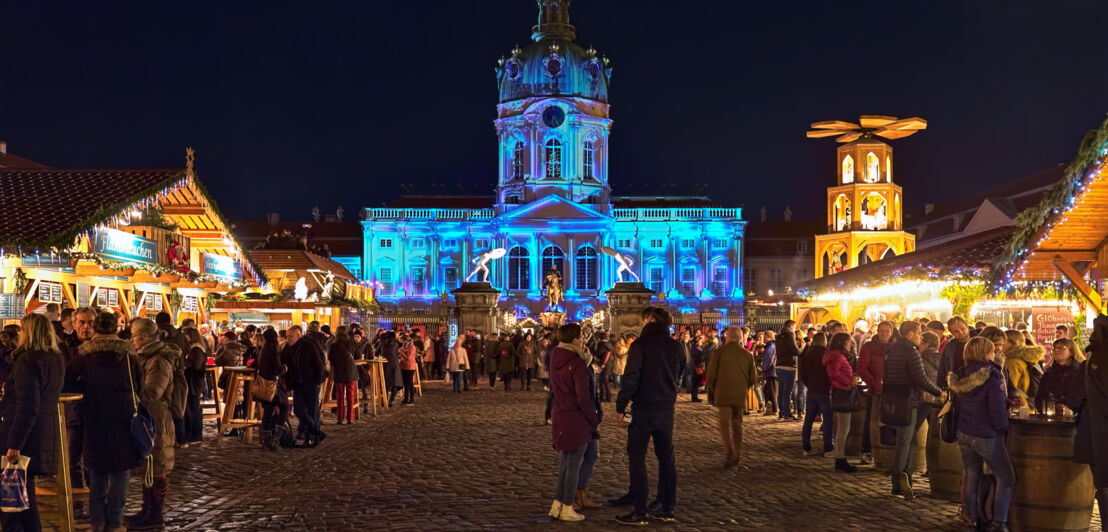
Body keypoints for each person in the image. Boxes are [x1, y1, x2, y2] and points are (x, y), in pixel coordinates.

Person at [66, 311, 143, 532]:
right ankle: (115, 522)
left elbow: (68, 382)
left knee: (96, 471)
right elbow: (139, 386)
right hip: (123, 419)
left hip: (94, 418)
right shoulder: (128, 357)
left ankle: (97, 522)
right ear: (117, 329)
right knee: (120, 472)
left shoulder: (85, 357)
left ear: (96, 329)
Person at [614, 307, 686, 525]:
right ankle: (667, 506)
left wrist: (621, 405)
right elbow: (682, 372)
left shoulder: (641, 345)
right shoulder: (676, 346)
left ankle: (640, 510)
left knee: (637, 457)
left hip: (643, 407)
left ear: (651, 319)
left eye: (644, 319)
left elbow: (631, 377)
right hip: (666, 408)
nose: (642, 323)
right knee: (666, 457)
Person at [0, 314, 64, 532]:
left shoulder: (28, 361)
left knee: (11, 503)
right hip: (42, 434)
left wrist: (14, 443)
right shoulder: (55, 357)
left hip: (24, 436)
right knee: (25, 498)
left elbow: (27, 405)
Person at [948, 337, 1015, 532]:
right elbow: (996, 408)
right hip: (986, 433)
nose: (995, 353)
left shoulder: (960, 374)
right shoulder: (992, 375)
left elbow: (959, 404)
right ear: (985, 353)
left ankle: (974, 518)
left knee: (972, 473)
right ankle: (999, 521)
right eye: (993, 350)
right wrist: (1003, 428)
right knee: (1005, 476)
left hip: (964, 431)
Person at [127, 317, 181, 530]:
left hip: (157, 417)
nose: (132, 341)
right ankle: (146, 510)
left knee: (157, 465)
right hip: (147, 417)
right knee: (148, 465)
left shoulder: (158, 360)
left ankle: (155, 515)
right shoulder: (145, 357)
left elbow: (153, 391)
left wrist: (131, 392)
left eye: (135, 337)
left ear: (146, 337)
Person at [546, 323, 601, 522]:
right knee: (573, 466)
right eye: (581, 335)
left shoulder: (556, 357)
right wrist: (594, 419)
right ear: (575, 339)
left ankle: (557, 505)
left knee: (565, 464)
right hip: (576, 418)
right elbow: (583, 398)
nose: (584, 338)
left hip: (561, 414)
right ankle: (568, 506)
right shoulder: (577, 363)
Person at [881, 320, 942, 500]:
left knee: (909, 441)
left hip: (894, 399)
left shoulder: (891, 350)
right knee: (904, 442)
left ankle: (907, 481)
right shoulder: (911, 352)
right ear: (910, 334)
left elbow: (886, 376)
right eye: (918, 333)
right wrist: (939, 392)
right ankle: (898, 485)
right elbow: (920, 378)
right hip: (908, 401)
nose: (920, 337)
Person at [1072, 315, 1108, 531]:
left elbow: (1074, 398)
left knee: (1103, 487)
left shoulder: (1089, 363)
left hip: (1093, 434)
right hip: (1099, 433)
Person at [706, 326, 756, 467]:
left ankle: (729, 450)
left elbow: (711, 374)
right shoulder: (747, 355)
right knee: (737, 424)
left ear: (727, 337)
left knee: (724, 423)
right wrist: (743, 386)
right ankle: (738, 452)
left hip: (723, 392)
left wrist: (713, 388)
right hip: (740, 393)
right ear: (741, 338)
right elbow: (753, 377)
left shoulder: (719, 353)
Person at [281, 325, 327, 446]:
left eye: (290, 336)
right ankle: (317, 432)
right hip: (298, 384)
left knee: (312, 410)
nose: (288, 339)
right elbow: (283, 361)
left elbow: (319, 362)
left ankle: (310, 437)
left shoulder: (309, 345)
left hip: (311, 382)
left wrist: (318, 379)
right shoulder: (288, 347)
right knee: (299, 409)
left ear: (299, 335)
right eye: (287, 336)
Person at [857, 320, 895, 464]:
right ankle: (867, 450)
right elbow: (862, 368)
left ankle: (889, 451)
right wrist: (873, 383)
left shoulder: (895, 347)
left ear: (891, 332)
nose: (885, 333)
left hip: (892, 391)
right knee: (870, 420)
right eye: (882, 331)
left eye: (887, 331)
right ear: (877, 332)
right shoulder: (869, 347)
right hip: (875, 391)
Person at [824, 332, 860, 473]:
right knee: (843, 428)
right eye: (849, 342)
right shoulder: (838, 356)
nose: (850, 344)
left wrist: (854, 377)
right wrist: (849, 382)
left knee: (844, 427)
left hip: (843, 391)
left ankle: (840, 457)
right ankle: (840, 458)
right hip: (842, 392)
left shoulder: (839, 355)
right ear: (842, 342)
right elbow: (834, 373)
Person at [799, 332, 833, 457]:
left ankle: (806, 447)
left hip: (812, 390)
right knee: (828, 420)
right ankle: (828, 448)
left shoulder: (807, 354)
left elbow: (803, 374)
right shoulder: (826, 354)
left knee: (808, 420)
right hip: (824, 390)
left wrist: (809, 385)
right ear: (824, 341)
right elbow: (830, 372)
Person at [256, 328, 288, 451]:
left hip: (264, 385)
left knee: (268, 411)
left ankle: (267, 439)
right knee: (284, 408)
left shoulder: (263, 349)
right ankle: (275, 438)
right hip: (273, 385)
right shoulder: (273, 349)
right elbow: (277, 369)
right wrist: (284, 368)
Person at [1035, 337, 1083, 411]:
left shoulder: (1081, 372)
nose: (1056, 350)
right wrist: (1052, 407)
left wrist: (1071, 410)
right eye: (1054, 348)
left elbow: (1084, 397)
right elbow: (1040, 397)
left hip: (1076, 419)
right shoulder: (1049, 373)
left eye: (1061, 348)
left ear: (1072, 351)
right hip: (1052, 417)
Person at [1002, 329, 1043, 413]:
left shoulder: (1012, 362)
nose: (1001, 344)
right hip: (1028, 407)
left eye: (1004, 341)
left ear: (1012, 342)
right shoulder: (1027, 358)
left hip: (1018, 407)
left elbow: (1010, 386)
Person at [181, 327, 207, 445]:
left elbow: (195, 365)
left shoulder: (196, 349)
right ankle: (192, 435)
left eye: (184, 335)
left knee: (193, 408)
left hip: (193, 382)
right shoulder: (193, 348)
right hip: (193, 381)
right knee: (191, 408)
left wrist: (185, 365)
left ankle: (194, 435)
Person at [328, 329, 359, 423]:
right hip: (350, 372)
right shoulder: (351, 344)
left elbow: (331, 359)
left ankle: (340, 419)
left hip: (339, 373)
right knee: (350, 396)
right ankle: (350, 418)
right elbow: (357, 355)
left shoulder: (334, 346)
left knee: (340, 397)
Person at [775, 320, 801, 420]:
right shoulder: (790, 334)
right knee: (787, 391)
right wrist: (801, 347)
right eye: (794, 327)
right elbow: (795, 351)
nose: (795, 329)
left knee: (781, 391)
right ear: (791, 326)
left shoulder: (779, 335)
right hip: (789, 365)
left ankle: (781, 412)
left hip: (779, 365)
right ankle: (787, 413)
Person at [938, 316, 971, 388]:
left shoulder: (979, 342)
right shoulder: (949, 346)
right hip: (956, 387)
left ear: (967, 327)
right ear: (951, 333)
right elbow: (942, 367)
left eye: (963, 329)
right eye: (956, 331)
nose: (961, 332)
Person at [761, 331, 778, 416]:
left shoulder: (770, 346)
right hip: (771, 371)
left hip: (771, 371)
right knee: (768, 390)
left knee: (771, 390)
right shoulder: (771, 345)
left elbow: (769, 358)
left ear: (770, 337)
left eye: (765, 337)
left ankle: (774, 409)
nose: (764, 339)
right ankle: (771, 408)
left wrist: (764, 368)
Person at [399, 334, 418, 405]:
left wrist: (401, 352)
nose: (402, 342)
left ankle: (412, 399)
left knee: (410, 383)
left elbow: (409, 357)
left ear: (406, 340)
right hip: (403, 366)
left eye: (402, 341)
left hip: (410, 367)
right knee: (405, 384)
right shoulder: (404, 346)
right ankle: (406, 398)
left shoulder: (412, 347)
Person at [593, 331, 612, 402]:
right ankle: (607, 396)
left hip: (602, 364)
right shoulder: (609, 344)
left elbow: (598, 353)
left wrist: (594, 352)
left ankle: (604, 396)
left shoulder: (601, 344)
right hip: (608, 364)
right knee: (605, 380)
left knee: (603, 380)